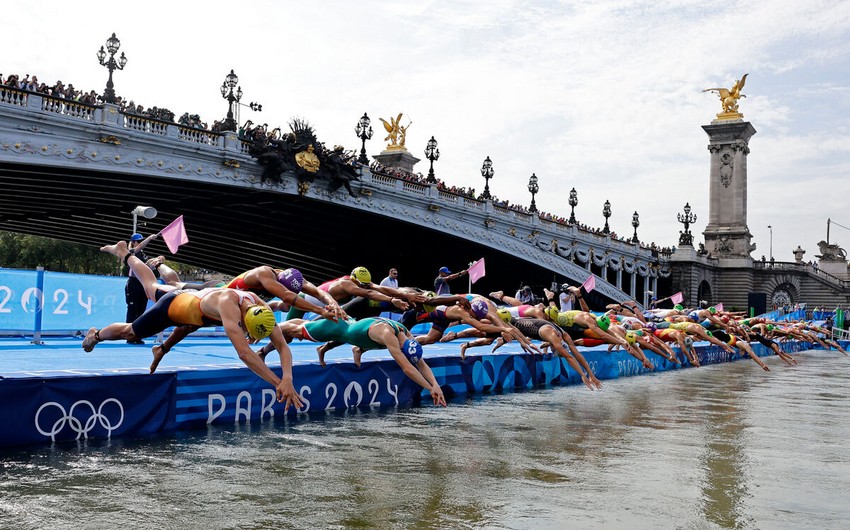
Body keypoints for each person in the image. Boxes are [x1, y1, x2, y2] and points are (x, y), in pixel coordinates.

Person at [82, 240, 302, 410]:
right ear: (244, 320)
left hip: (194, 308)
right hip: (175, 306)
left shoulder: (260, 307)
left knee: (185, 316)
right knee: (132, 327)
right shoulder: (229, 307)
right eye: (247, 331)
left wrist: (288, 378)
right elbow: (244, 353)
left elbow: (282, 346)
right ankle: (97, 333)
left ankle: (160, 347)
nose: (246, 335)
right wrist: (277, 383)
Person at [272, 317, 447, 406]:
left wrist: (435, 384)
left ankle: (357, 349)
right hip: (340, 329)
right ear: (403, 349)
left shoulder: (406, 334)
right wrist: (430, 387)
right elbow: (407, 368)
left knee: (307, 324)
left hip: (355, 329)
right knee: (297, 330)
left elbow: (420, 364)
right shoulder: (389, 335)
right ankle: (269, 326)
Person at [124, 233, 158, 344]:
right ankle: (129, 335)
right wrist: (149, 238)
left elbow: (148, 266)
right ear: (133, 242)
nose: (140, 243)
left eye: (140, 241)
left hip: (142, 284)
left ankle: (137, 334)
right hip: (133, 283)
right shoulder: (131, 253)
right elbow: (139, 247)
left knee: (141, 310)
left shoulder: (143, 255)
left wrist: (157, 262)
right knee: (132, 309)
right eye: (138, 241)